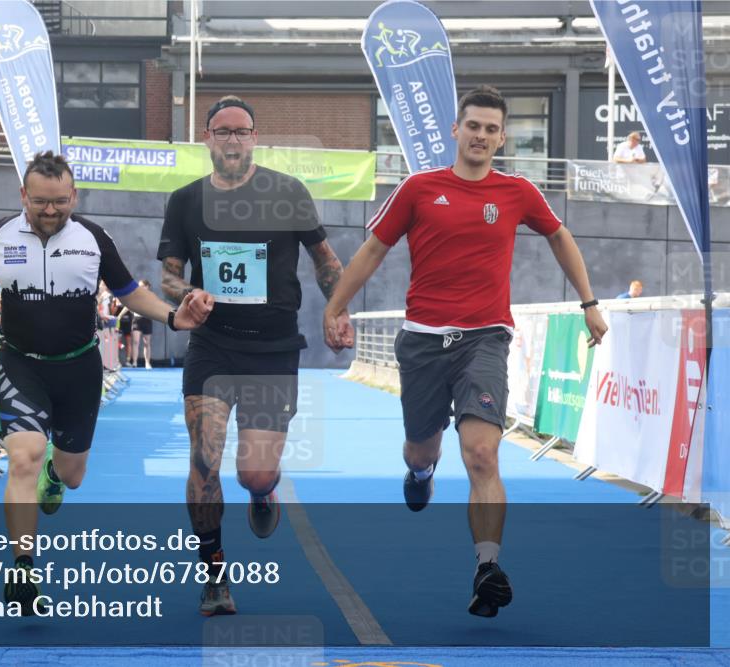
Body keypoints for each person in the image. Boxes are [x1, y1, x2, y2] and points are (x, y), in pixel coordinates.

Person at [323, 86, 608, 619]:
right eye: (472, 125)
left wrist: (589, 301)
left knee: (482, 453)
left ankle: (487, 566)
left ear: (502, 138)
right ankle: (421, 475)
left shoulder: (519, 191)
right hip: (424, 340)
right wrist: (335, 306)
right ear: (456, 131)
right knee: (421, 451)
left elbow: (561, 236)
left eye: (490, 129)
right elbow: (372, 250)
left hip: (484, 338)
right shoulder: (419, 188)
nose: (480, 136)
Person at [0, 151, 213, 615]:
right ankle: (23, 567)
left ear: (74, 196)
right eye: (41, 202)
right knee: (23, 457)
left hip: (79, 368)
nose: (50, 211)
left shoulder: (93, 237)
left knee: (71, 474)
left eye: (60, 202)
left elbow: (129, 291)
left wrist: (173, 316)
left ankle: (54, 475)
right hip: (21, 364)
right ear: (23, 196)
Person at [158, 95, 345, 616]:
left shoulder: (288, 193)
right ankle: (214, 574)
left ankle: (264, 495)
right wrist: (186, 293)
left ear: (254, 138)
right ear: (208, 138)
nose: (233, 139)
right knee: (203, 459)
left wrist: (340, 309)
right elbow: (170, 274)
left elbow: (326, 262)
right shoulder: (185, 201)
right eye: (223, 131)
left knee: (255, 474)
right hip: (213, 347)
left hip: (273, 350)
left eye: (242, 131)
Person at [130, 279, 154, 368]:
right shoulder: (135, 295)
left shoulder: (151, 296)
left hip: (147, 319)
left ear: (147, 286)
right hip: (137, 319)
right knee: (135, 341)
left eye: (142, 286)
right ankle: (134, 362)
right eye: (139, 285)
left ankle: (147, 363)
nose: (140, 287)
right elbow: (129, 305)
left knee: (147, 342)